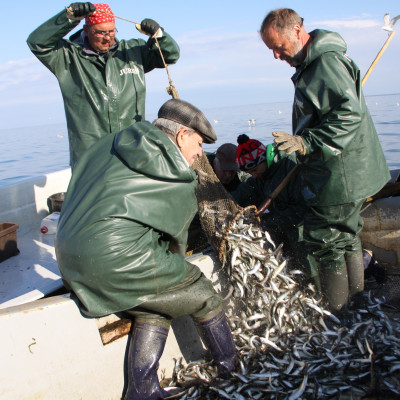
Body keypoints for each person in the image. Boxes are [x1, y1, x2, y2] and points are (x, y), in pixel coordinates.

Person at [55, 99, 237, 399]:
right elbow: (175, 246)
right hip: (113, 258)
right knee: (202, 295)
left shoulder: (113, 142)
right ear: (181, 136)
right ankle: (232, 370)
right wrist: (183, 272)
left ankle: (142, 388)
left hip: (67, 254)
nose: (199, 154)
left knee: (161, 299)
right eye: (199, 144)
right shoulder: (177, 173)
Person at [259, 8, 390, 311]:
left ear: (297, 30)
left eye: (278, 46)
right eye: (271, 49)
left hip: (338, 174)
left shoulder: (325, 63)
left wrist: (307, 142)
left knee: (327, 242)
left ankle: (338, 316)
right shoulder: (315, 63)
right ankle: (356, 307)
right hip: (343, 171)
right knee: (346, 236)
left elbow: (349, 114)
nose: (276, 55)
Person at [27, 3, 180, 169]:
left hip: (133, 153)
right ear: (86, 30)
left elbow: (170, 55)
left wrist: (159, 35)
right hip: (91, 159)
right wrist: (68, 18)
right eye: (100, 32)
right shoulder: (67, 57)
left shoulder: (132, 52)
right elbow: (37, 42)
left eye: (111, 31)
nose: (108, 38)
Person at [232, 134, 307, 256]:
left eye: (255, 170)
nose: (254, 175)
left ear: (264, 158)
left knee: (305, 262)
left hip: (302, 231)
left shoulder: (289, 165)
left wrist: (269, 221)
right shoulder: (260, 177)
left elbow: (300, 210)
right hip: (283, 227)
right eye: (250, 173)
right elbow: (242, 194)